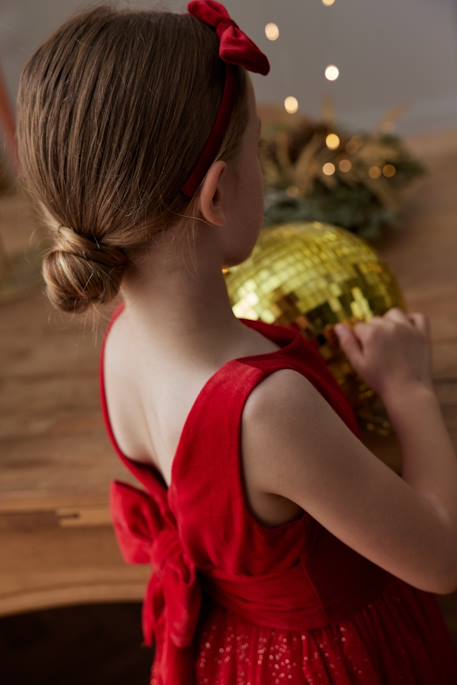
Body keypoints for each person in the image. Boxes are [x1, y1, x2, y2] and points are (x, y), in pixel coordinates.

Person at [15, 1, 457, 683]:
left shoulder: (123, 345)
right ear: (217, 195)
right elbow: (438, 556)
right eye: (257, 150)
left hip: (231, 651)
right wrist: (408, 389)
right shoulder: (270, 410)